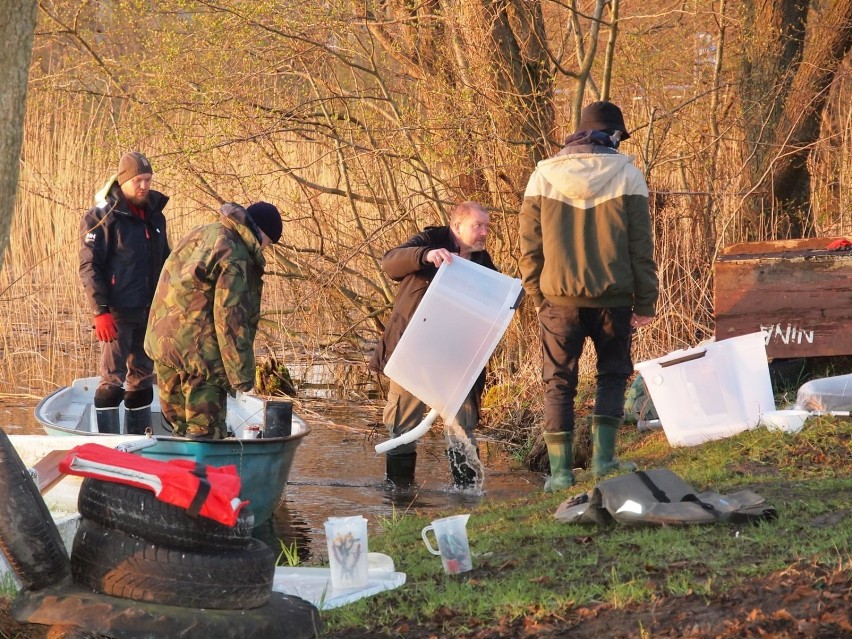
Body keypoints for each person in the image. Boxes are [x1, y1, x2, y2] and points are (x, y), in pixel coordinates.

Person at [519, 101, 659, 492]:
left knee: (558, 382)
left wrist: (537, 295)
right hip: (614, 299)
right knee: (612, 376)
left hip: (558, 300)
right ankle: (602, 462)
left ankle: (561, 474)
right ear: (613, 136)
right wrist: (646, 301)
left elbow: (529, 247)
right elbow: (640, 248)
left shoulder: (542, 176)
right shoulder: (628, 175)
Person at [369, 201, 496, 489]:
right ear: (457, 226)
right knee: (402, 425)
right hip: (413, 352)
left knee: (462, 426)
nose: (484, 233)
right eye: (479, 226)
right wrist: (425, 256)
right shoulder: (429, 240)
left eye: (486, 226)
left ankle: (467, 492)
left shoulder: (482, 262)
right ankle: (399, 493)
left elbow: (496, 306)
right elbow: (390, 262)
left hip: (455, 359)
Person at [144, 201, 283, 439]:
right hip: (200, 358)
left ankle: (175, 474)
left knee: (179, 429)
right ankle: (203, 475)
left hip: (163, 346)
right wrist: (241, 377)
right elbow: (231, 320)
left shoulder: (202, 232)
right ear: (260, 232)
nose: (264, 249)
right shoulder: (235, 254)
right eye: (268, 244)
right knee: (204, 435)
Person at [79, 151, 170, 434]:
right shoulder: (102, 218)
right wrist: (100, 311)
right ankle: (108, 447)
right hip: (117, 313)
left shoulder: (155, 217)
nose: (144, 186)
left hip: (150, 312)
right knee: (111, 380)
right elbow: (89, 266)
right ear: (123, 181)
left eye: (148, 180)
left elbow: (166, 262)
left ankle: (139, 442)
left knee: (142, 379)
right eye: (138, 180)